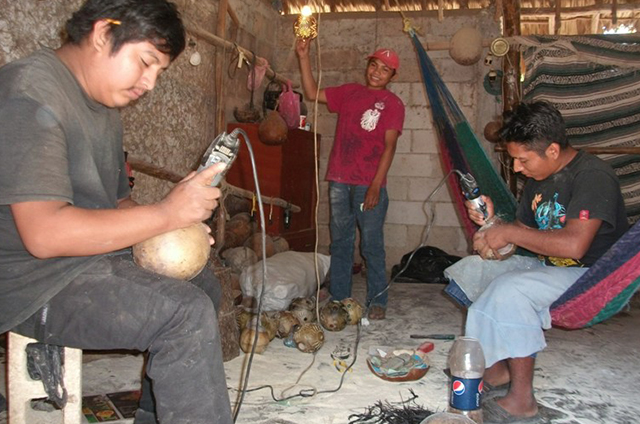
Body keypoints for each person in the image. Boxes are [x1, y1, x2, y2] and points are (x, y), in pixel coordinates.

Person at [0, 1, 233, 423]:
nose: (150, 83)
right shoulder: (29, 93)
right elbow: (44, 234)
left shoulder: (105, 107)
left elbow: (118, 203)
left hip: (82, 260)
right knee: (183, 313)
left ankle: (154, 415)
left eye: (159, 71)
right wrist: (166, 213)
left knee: (202, 285)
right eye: (145, 62)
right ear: (103, 34)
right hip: (29, 283)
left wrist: (177, 228)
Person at [444, 101, 628, 423]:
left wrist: (508, 232)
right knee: (471, 271)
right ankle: (498, 368)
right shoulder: (537, 180)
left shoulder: (593, 176)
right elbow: (522, 240)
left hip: (590, 276)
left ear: (553, 150)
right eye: (514, 160)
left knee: (511, 290)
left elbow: (574, 246)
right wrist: (491, 227)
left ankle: (522, 400)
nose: (517, 168)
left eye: (523, 159)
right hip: (549, 267)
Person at [295, 38, 405, 320]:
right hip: (340, 181)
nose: (377, 72)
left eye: (385, 70)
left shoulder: (393, 104)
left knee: (371, 245)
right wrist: (304, 56)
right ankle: (339, 298)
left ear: (392, 76)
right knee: (340, 242)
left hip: (369, 184)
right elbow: (311, 92)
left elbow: (390, 146)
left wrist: (376, 185)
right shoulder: (349, 92)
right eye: (374, 65)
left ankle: (378, 300)